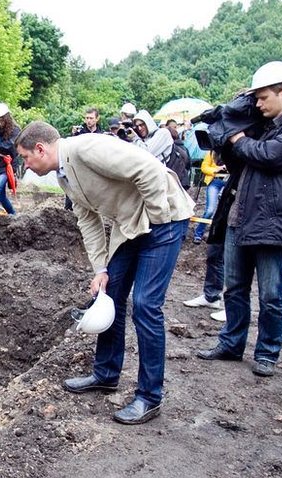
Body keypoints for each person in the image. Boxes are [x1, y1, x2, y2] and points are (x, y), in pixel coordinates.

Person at [15, 121, 194, 425]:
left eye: (26, 158)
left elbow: (149, 169)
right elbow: (87, 220)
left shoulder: (88, 148)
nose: (26, 165)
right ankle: (106, 373)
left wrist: (158, 218)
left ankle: (150, 397)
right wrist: (101, 268)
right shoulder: (64, 176)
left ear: (40, 149)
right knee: (108, 293)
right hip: (131, 226)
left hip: (163, 219)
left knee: (146, 305)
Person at [197, 61, 282, 378]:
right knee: (234, 289)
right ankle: (231, 343)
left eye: (264, 98)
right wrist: (229, 129)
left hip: (275, 224)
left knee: (271, 295)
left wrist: (237, 137)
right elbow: (237, 158)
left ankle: (266, 353)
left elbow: (270, 156)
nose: (259, 104)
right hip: (240, 217)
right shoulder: (260, 124)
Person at [192, 151, 228, 244]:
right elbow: (204, 167)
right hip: (215, 181)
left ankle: (219, 236)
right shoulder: (211, 152)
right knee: (210, 210)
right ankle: (198, 233)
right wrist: (217, 169)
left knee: (225, 211)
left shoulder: (234, 150)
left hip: (228, 183)